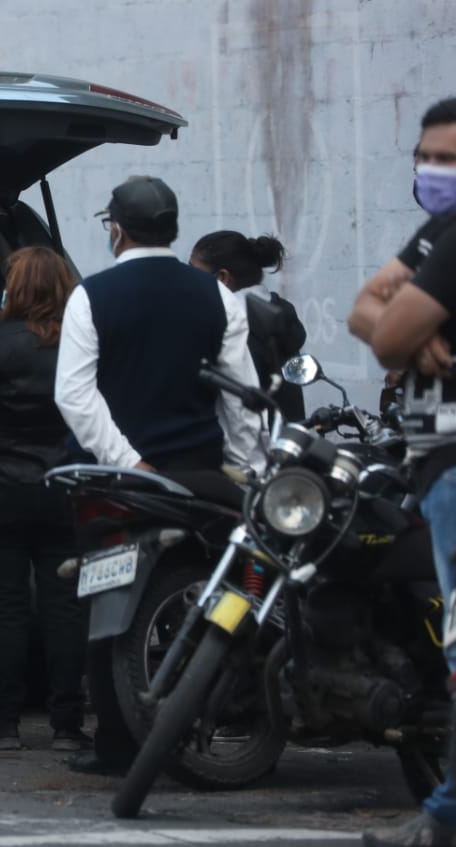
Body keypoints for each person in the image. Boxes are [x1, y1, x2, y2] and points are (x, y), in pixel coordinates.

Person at [54, 175, 263, 775]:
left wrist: (128, 463)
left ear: (115, 229)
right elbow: (240, 399)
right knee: (226, 591)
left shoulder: (91, 295)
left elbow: (75, 397)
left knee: (107, 603)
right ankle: (229, 718)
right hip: (200, 480)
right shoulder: (218, 297)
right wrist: (246, 473)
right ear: (172, 229)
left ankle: (117, 747)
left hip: (114, 487)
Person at [349, 96, 456, 847]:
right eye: (427, 156)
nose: (433, 170)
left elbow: (383, 330)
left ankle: (445, 817)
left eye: (449, 159)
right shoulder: (437, 235)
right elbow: (365, 307)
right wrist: (411, 335)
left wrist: (404, 331)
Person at [0, 246, 89, 752]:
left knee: (7, 607)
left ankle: (6, 723)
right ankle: (67, 725)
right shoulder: (82, 345)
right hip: (65, 487)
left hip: (2, 487)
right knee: (65, 609)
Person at [190, 231, 306, 422]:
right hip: (288, 440)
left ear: (222, 278)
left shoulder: (232, 326)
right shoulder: (277, 312)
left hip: (252, 445)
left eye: (193, 271)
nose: (189, 281)